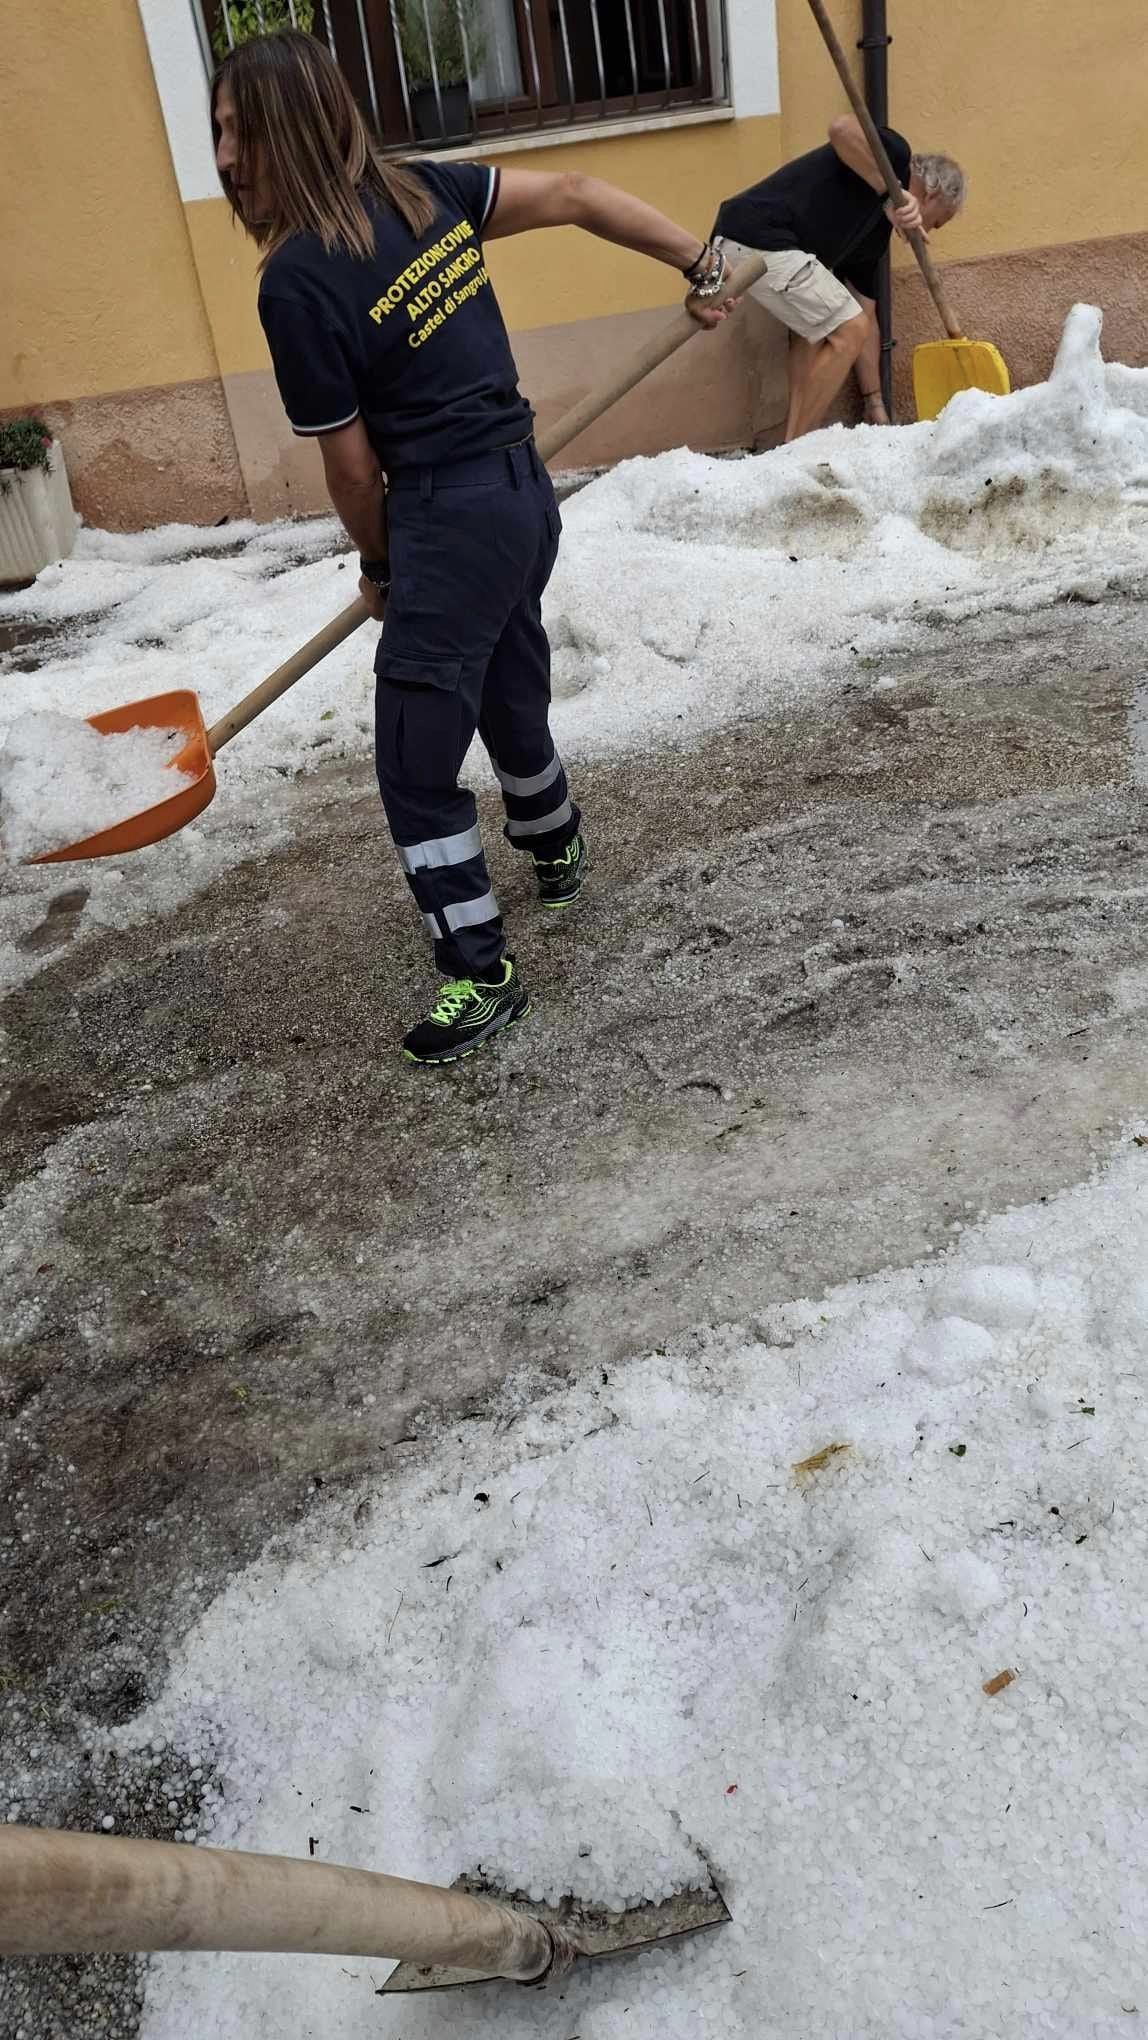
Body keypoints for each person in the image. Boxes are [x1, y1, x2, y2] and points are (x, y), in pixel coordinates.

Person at [211, 30, 732, 1065]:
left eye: (238, 132)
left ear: (288, 129)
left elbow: (353, 472)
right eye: (216, 133)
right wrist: (696, 257)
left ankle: (477, 970)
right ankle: (555, 846)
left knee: (413, 763)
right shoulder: (422, 195)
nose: (225, 158)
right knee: (502, 682)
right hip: (521, 492)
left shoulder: (296, 282)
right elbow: (580, 190)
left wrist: (380, 564)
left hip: (449, 516)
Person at [710, 118, 966, 440]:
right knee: (847, 327)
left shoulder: (873, 238)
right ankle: (794, 452)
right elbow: (841, 129)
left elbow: (867, 317)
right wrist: (892, 194)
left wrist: (874, 402)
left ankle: (793, 439)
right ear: (932, 195)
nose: (927, 232)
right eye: (937, 223)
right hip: (754, 234)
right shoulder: (894, 156)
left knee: (816, 331)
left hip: (763, 247)